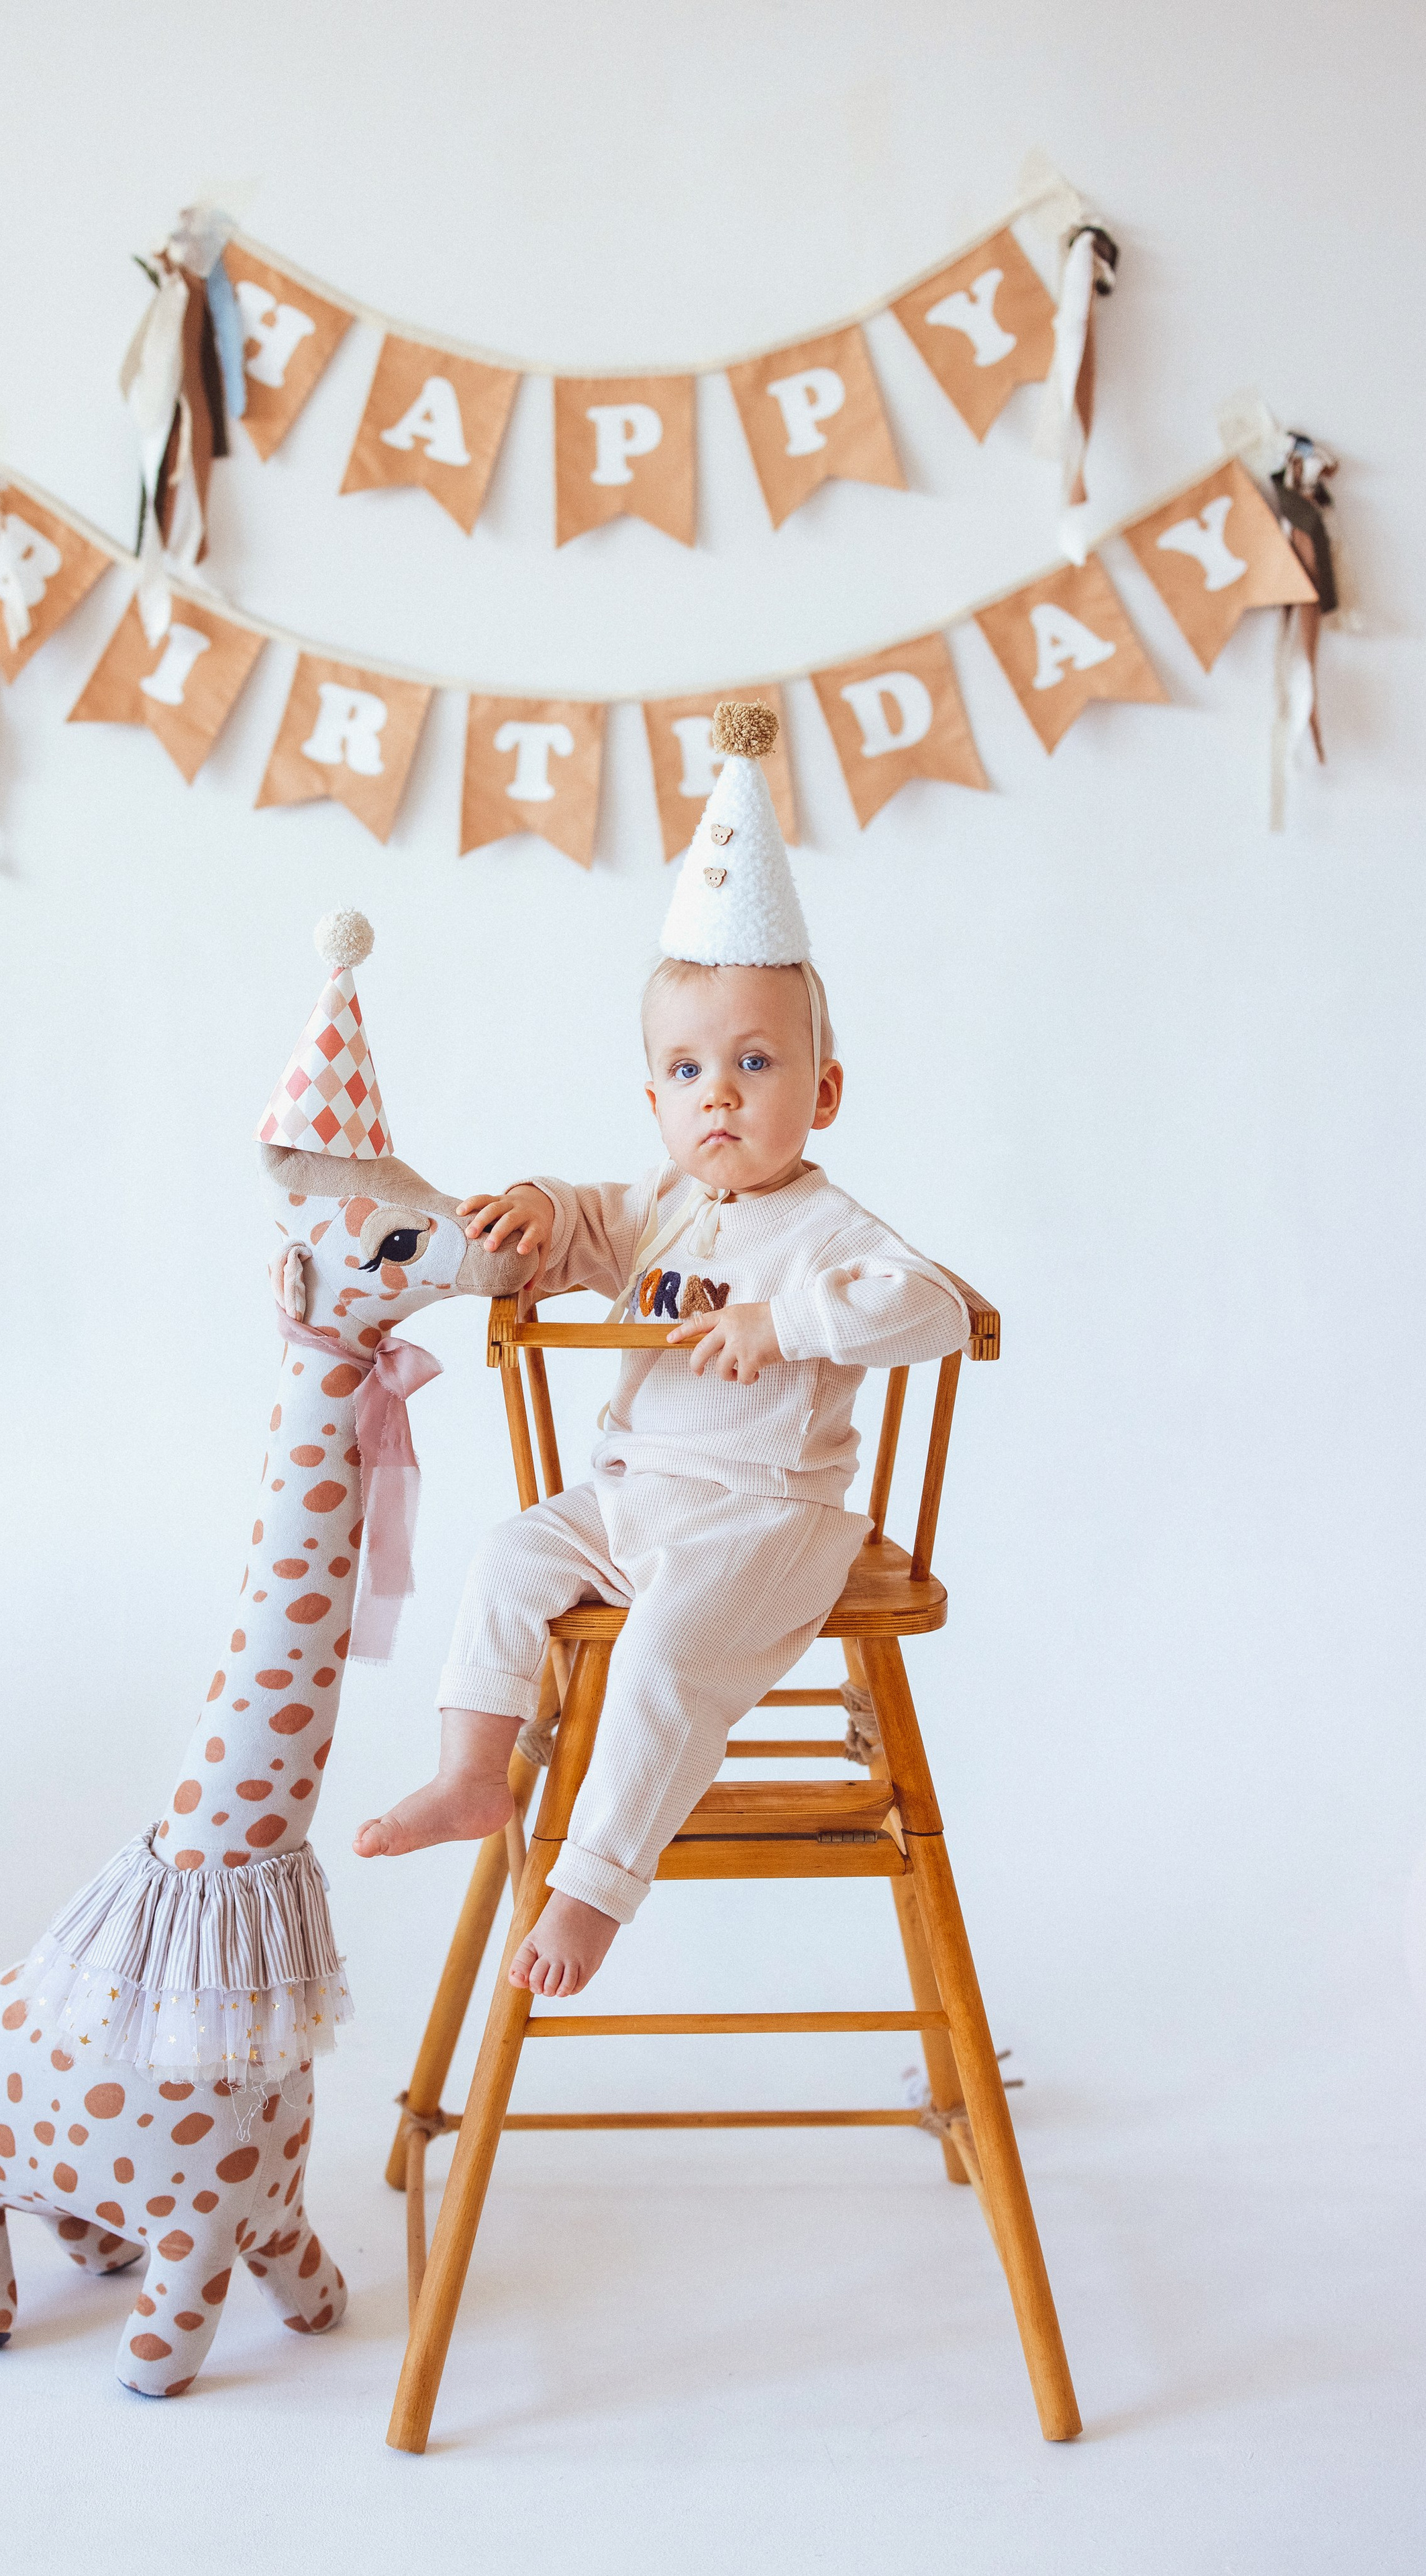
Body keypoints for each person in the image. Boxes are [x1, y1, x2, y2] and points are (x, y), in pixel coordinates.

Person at [354, 705, 969, 1995]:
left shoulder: (831, 1231)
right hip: (633, 1501)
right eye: (689, 1070)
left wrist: (788, 1320)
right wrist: (533, 1206)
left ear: (824, 1089)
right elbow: (584, 1228)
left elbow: (933, 1309)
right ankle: (476, 1773)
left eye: (756, 1061)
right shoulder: (659, 1204)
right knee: (515, 1554)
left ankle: (590, 1888)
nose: (723, 1094)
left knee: (659, 1656)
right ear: (657, 1101)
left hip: (765, 1523)